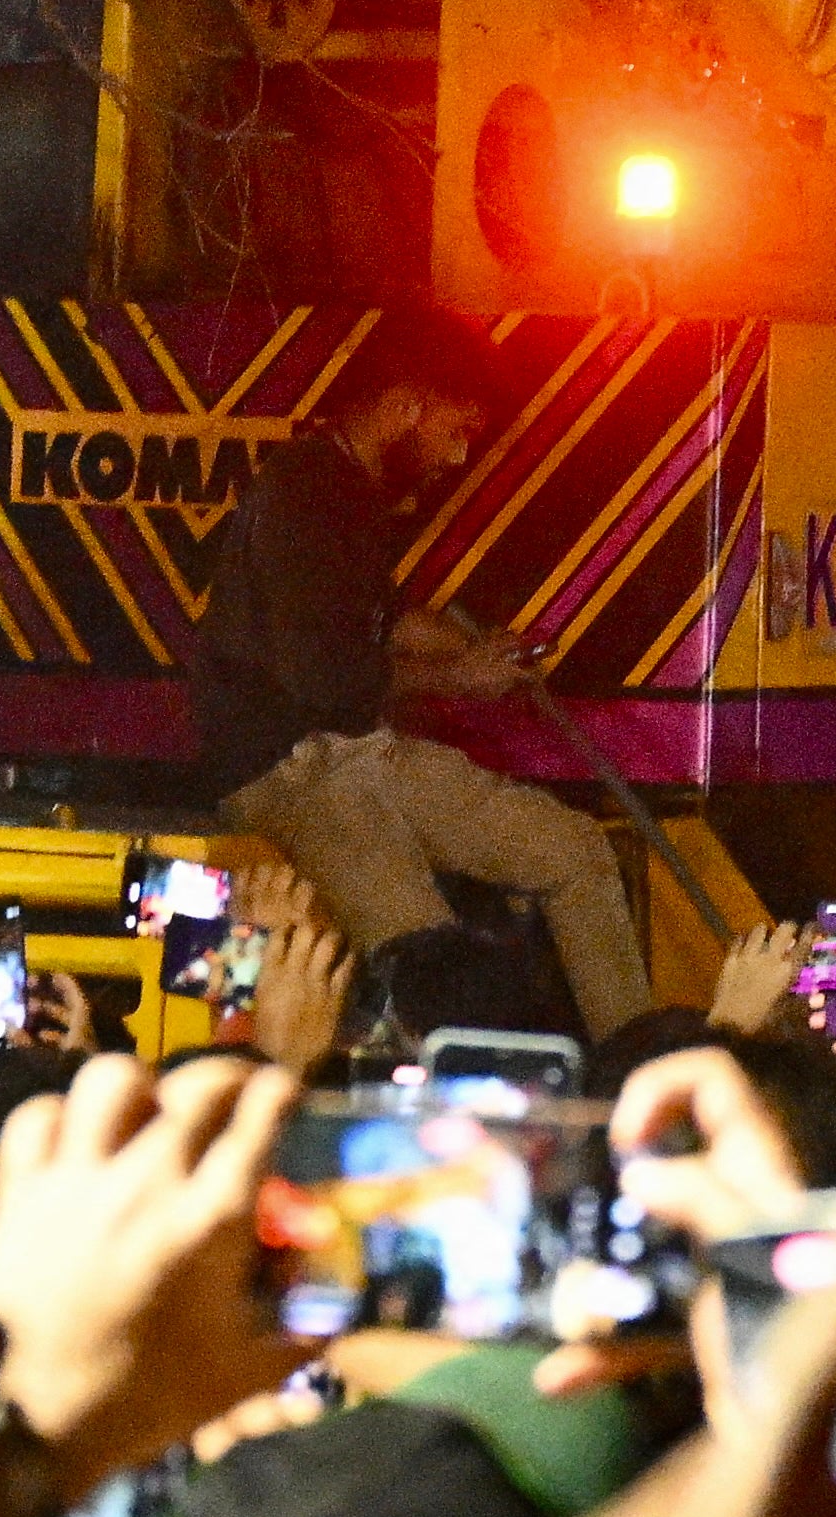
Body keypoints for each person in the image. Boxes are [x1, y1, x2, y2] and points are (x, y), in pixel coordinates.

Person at [181, 392, 647, 1035]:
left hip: (366, 755)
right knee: (431, 966)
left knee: (577, 853)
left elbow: (384, 621)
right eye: (455, 428)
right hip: (297, 778)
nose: (457, 456)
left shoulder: (347, 491)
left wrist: (478, 650)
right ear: (404, 405)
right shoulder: (305, 490)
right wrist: (460, 676)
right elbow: (327, 675)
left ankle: (639, 1060)